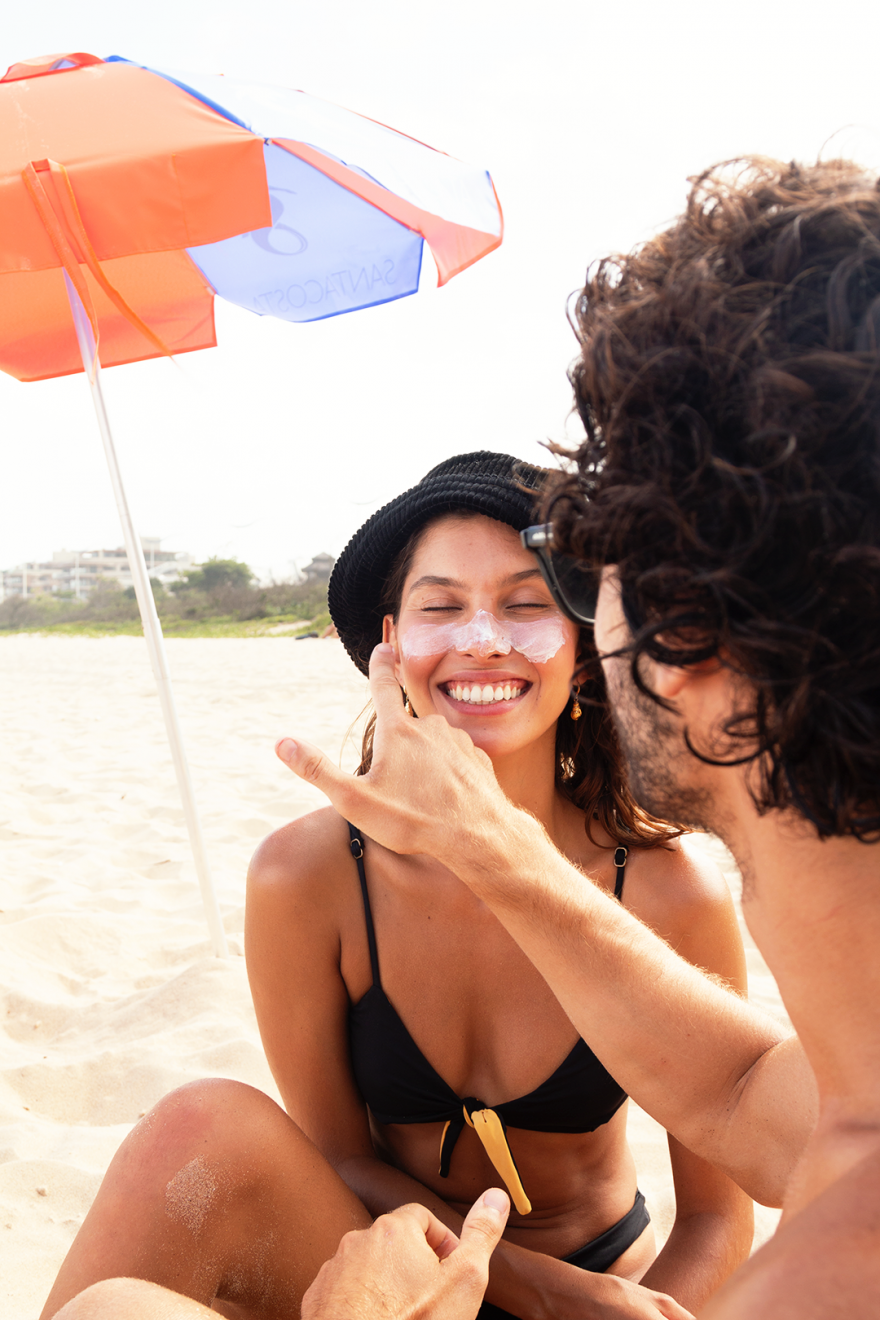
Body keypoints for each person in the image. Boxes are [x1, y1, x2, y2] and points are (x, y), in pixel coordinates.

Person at [272, 156, 880, 1317]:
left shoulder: (823, 1278)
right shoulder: (849, 1100)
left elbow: (727, 1187)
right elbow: (748, 1087)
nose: (491, 638)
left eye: (567, 575)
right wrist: (494, 853)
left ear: (682, 632)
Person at [42, 453, 747, 1320]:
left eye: (526, 604)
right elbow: (338, 1158)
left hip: (613, 1286)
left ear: (584, 649)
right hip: (395, 1272)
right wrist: (537, 1293)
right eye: (441, 607)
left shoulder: (672, 892)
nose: (482, 638)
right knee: (198, 1127)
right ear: (391, 646)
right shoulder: (309, 876)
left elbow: (718, 1214)